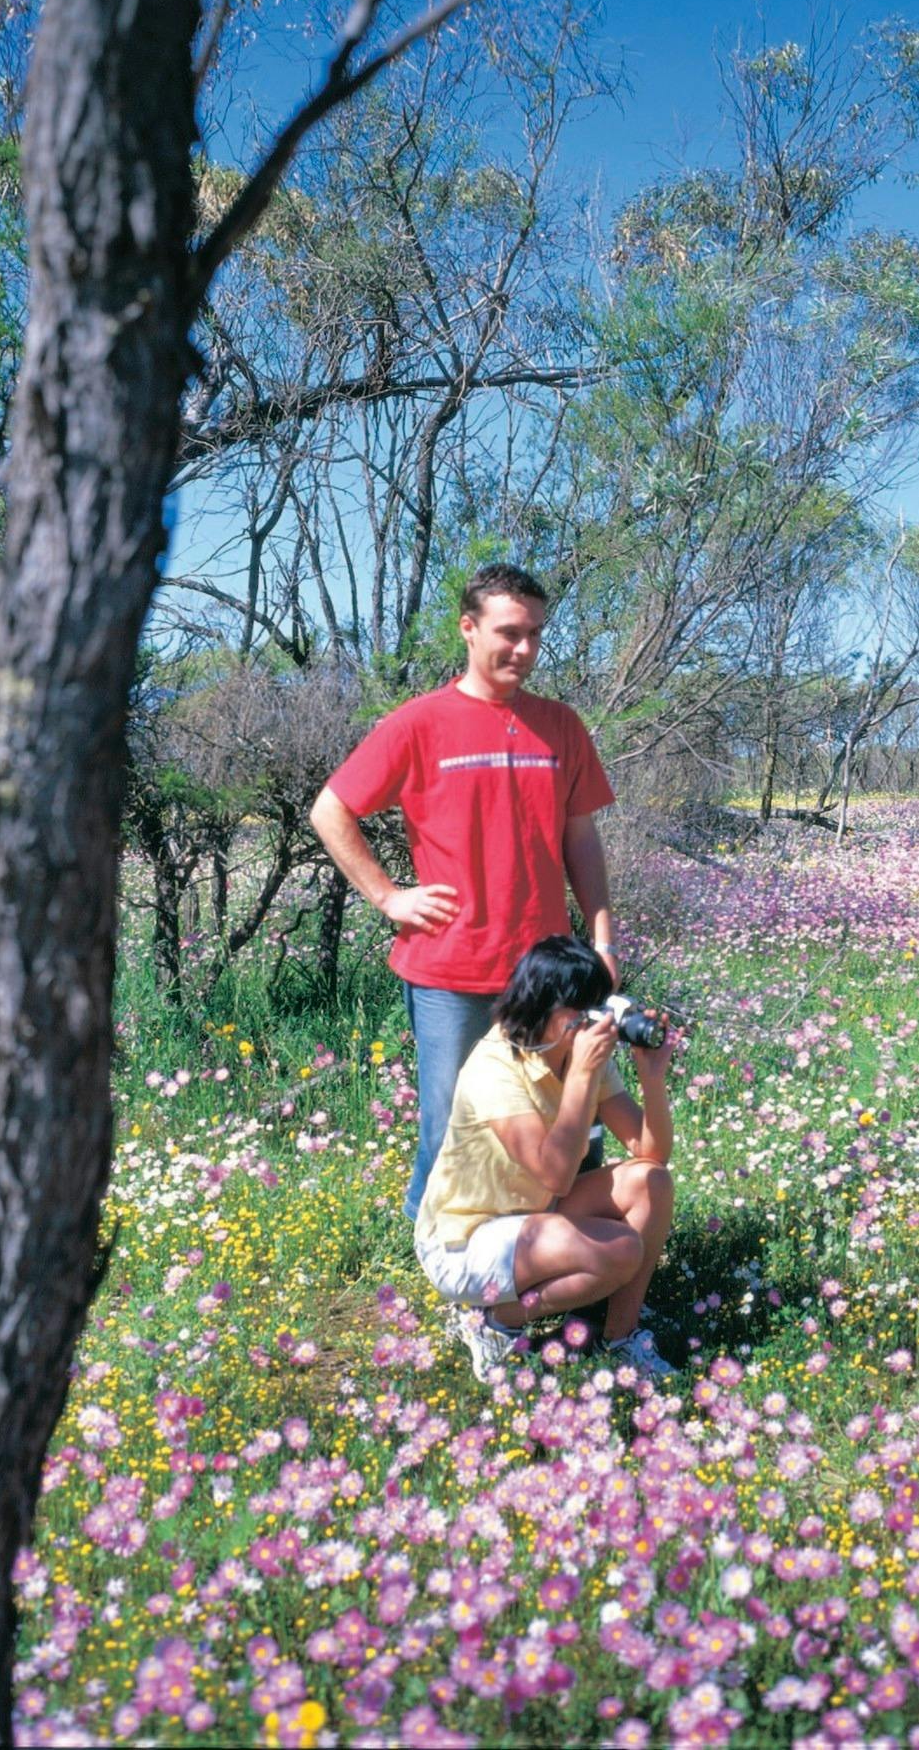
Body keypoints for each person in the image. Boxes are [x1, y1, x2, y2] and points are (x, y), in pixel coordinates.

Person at [311, 563, 618, 1222]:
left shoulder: (560, 726)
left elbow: (582, 838)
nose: (526, 649)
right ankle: (439, 1253)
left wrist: (602, 939)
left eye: (536, 633)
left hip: (549, 969)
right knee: (451, 1119)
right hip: (450, 970)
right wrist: (390, 896)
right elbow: (331, 809)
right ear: (469, 628)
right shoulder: (421, 722)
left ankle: (569, 1246)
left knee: (573, 1109)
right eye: (510, 633)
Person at [415, 934, 677, 1379]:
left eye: (600, 1006)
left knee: (652, 1182)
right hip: (466, 1239)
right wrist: (581, 1078)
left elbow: (650, 1153)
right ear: (546, 1008)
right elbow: (556, 1175)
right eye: (583, 1010)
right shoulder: (494, 1069)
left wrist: (651, 1078)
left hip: (532, 1214)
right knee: (619, 1251)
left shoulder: (575, 1050)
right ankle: (494, 1323)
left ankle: (621, 1337)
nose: (596, 1022)